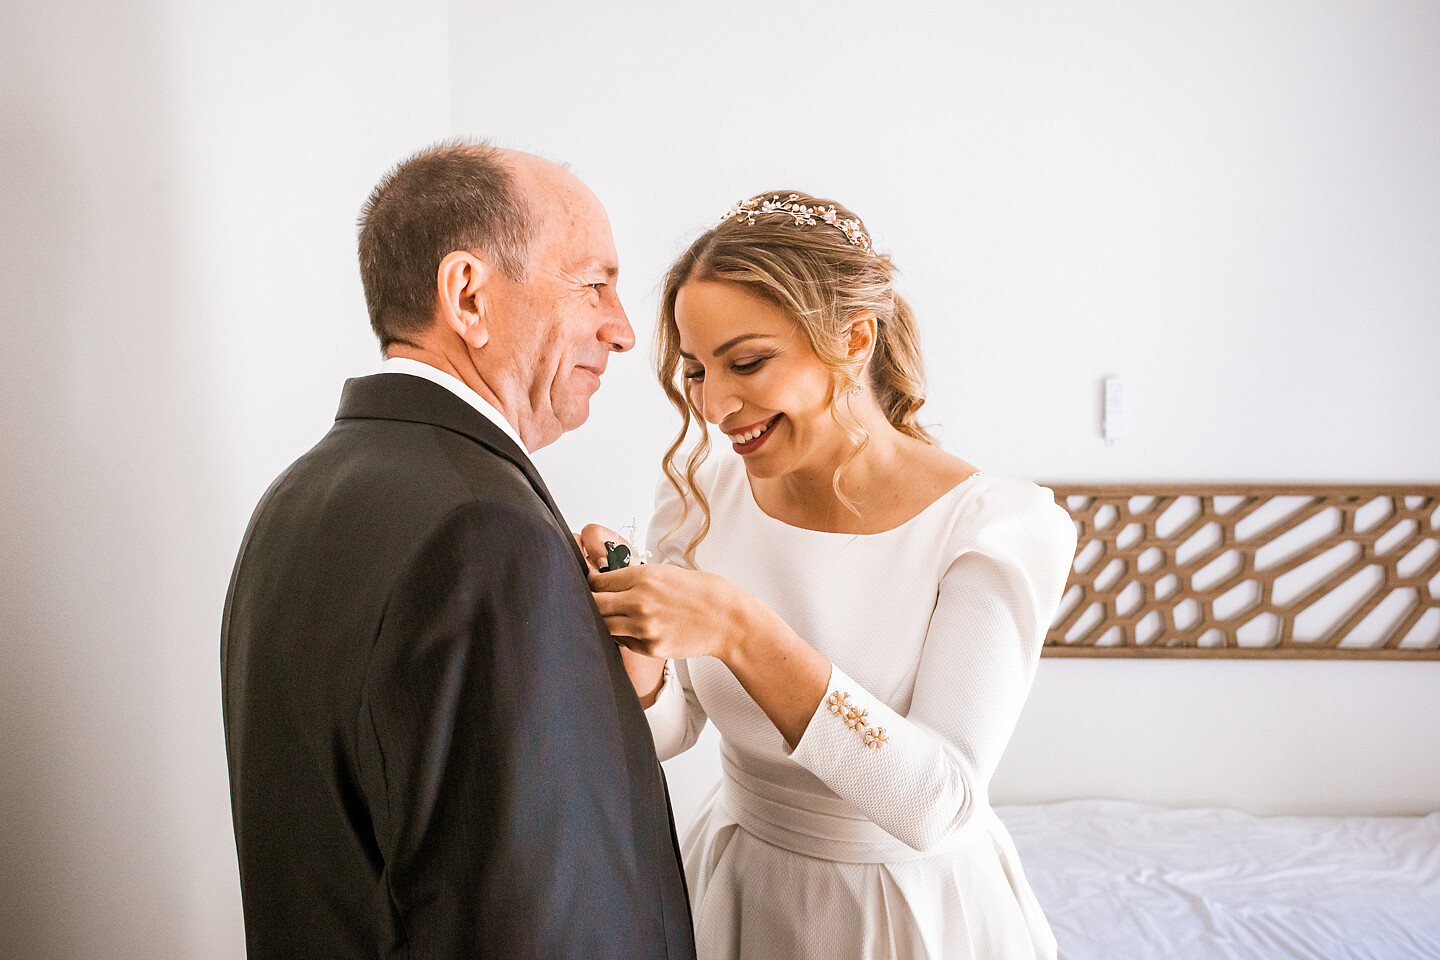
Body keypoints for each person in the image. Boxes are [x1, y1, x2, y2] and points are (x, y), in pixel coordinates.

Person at [220, 141, 695, 959]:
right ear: (468, 296)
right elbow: (533, 918)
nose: (620, 330)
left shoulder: (294, 498)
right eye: (593, 283)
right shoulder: (488, 534)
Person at [582, 192, 1076, 959]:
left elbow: (937, 805)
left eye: (747, 362)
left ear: (853, 338)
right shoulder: (700, 496)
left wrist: (742, 631)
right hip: (742, 889)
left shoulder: (993, 528)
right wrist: (639, 660)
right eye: (696, 371)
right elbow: (675, 728)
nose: (715, 405)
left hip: (907, 914)